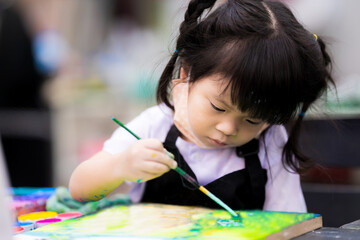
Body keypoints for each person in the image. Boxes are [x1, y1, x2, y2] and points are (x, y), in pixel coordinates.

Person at [69, 0, 333, 212]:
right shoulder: (155, 125)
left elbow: (289, 223)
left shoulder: (270, 141)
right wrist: (121, 166)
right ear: (186, 74)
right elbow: (78, 189)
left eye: (253, 120)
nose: (228, 128)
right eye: (218, 107)